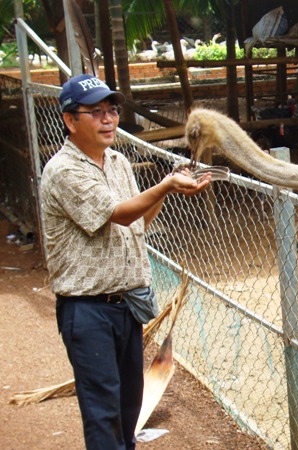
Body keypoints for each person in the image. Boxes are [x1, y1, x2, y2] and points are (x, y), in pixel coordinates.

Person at [40, 73, 211, 450]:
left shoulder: (117, 161)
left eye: (112, 111)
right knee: (104, 414)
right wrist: (165, 185)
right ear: (70, 120)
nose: (108, 120)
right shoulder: (64, 170)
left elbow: (137, 222)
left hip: (126, 306)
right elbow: (117, 213)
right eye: (96, 112)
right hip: (88, 310)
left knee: (129, 409)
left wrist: (168, 187)